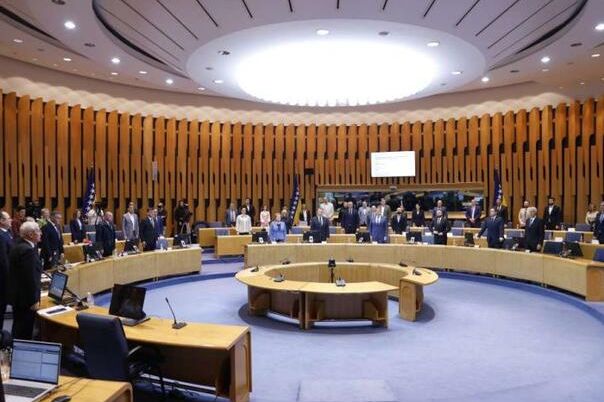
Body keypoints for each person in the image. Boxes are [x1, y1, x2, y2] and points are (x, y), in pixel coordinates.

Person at [8, 221, 42, 340]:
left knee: (18, 327)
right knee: (24, 331)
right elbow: (30, 278)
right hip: (26, 300)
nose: (41, 233)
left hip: (18, 297)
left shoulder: (18, 245)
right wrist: (34, 300)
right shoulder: (27, 251)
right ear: (31, 234)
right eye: (38, 231)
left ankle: (13, 348)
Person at [0, 211, 14, 330]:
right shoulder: (1, 236)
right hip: (3, 279)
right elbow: (4, 260)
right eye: (8, 218)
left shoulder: (7, 233)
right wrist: (10, 279)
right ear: (1, 221)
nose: (11, 220)